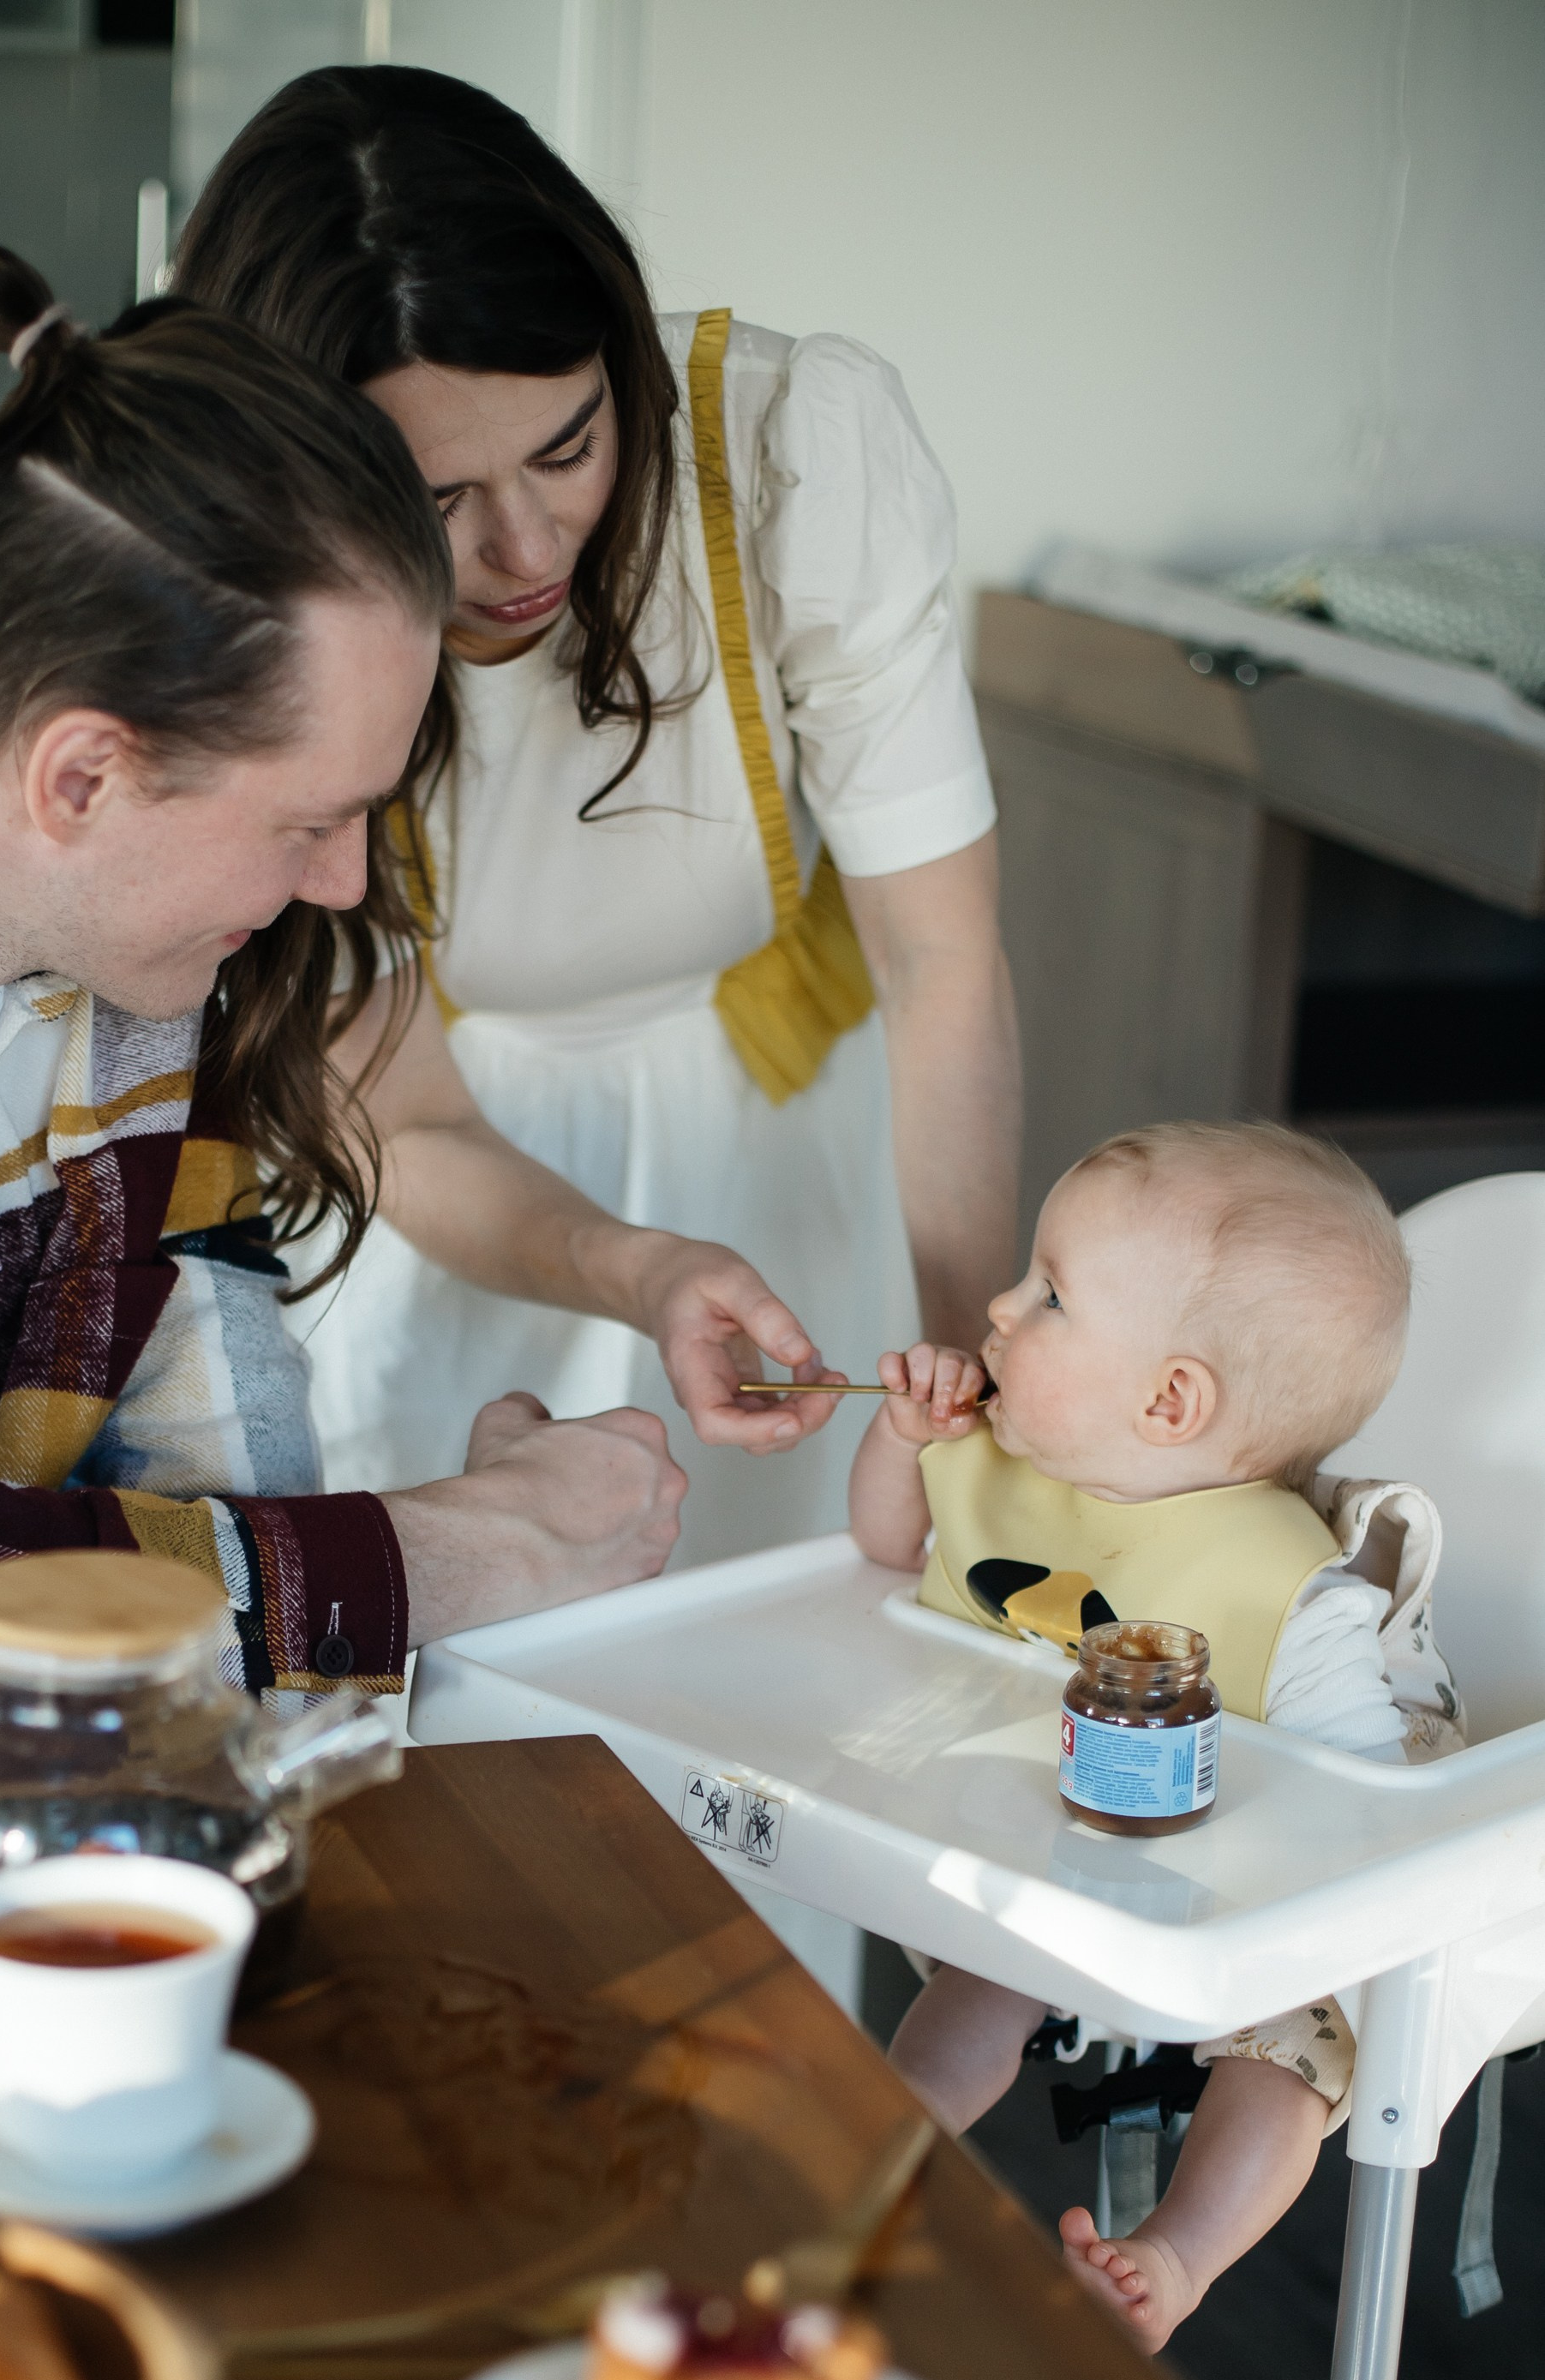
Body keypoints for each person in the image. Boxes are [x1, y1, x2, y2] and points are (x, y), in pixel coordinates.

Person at [0, 249, 696, 1784]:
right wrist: (453, 1553)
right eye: (307, 822)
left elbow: (238, 1619)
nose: (346, 885)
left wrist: (384, 1573)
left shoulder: (139, 972)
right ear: (78, 777)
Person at [174, 64, 1020, 1563]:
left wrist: (975, 1367)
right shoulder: (225, 591)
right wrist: (634, 1273)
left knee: (801, 1590)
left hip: (773, 1110)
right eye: (432, 501)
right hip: (458, 1175)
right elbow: (410, 1118)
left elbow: (937, 963)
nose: (524, 545)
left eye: (568, 447)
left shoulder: (788, 451)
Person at [846, 1121, 1462, 2349]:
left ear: (1168, 1401)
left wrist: (1263, 1898)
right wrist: (900, 1440)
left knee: (1285, 2057)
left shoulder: (1294, 1597)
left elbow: (1369, 1799)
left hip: (1241, 1894)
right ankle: (881, 2130)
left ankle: (1173, 2260)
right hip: (1050, 1840)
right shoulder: (1002, 1458)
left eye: (1050, 1295)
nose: (997, 1307)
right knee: (985, 1958)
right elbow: (880, 1550)